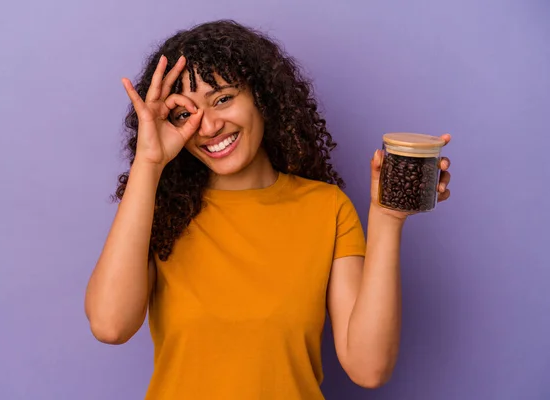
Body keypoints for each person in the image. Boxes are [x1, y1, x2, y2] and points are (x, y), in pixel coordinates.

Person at [84, 19, 452, 399]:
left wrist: (388, 220)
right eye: (184, 114)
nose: (208, 126)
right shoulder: (158, 211)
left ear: (260, 97)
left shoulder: (326, 208)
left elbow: (369, 367)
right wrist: (149, 162)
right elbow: (110, 325)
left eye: (223, 98)